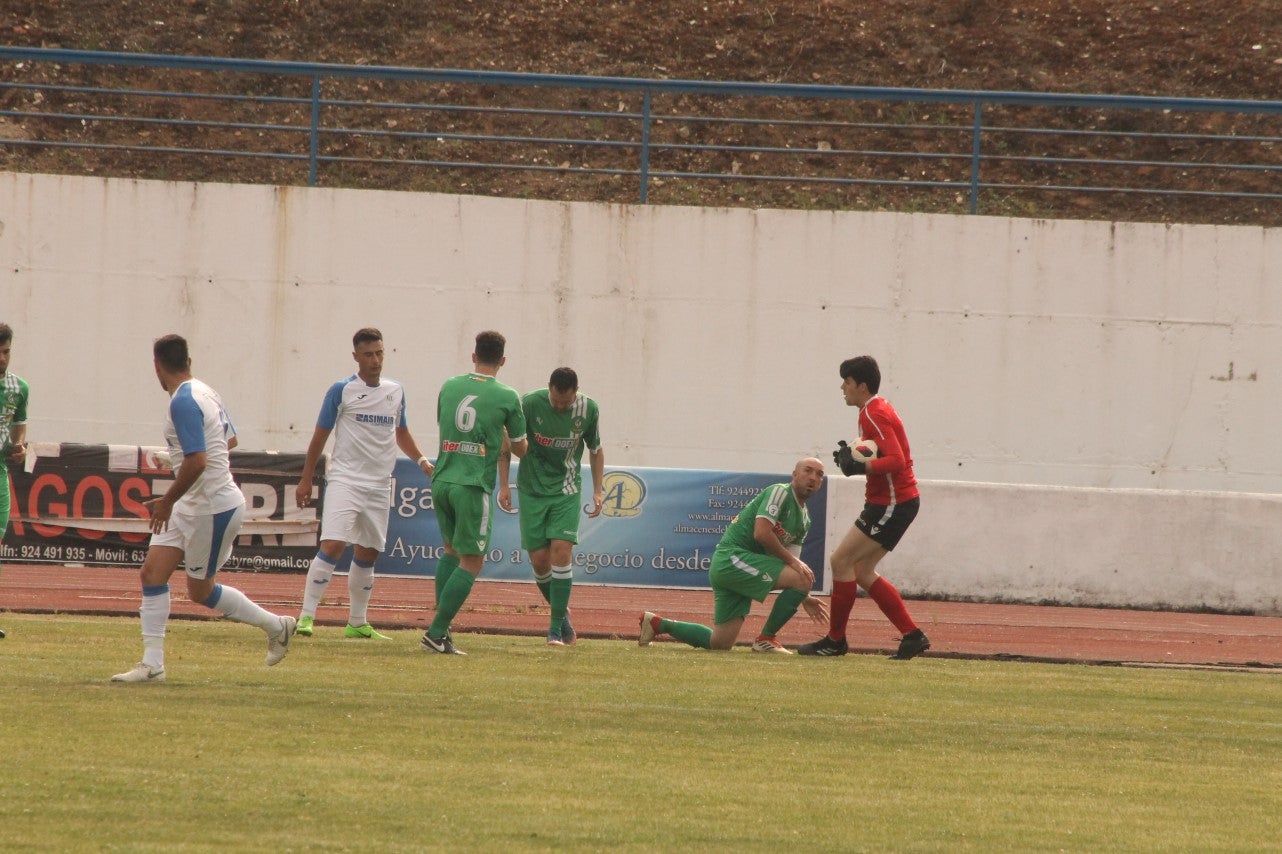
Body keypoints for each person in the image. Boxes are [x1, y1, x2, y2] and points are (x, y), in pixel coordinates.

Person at [112, 334, 297, 683]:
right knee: (152, 574)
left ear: (157, 366)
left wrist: (167, 500)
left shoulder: (182, 401)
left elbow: (198, 460)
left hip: (211, 507)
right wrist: (177, 461)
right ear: (189, 362)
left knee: (200, 591)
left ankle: (277, 626)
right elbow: (229, 440)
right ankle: (152, 665)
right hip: (191, 503)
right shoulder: (206, 391)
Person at [294, 328, 435, 639]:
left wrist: (422, 460)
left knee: (369, 551)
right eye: (369, 354)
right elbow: (320, 435)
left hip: (379, 483)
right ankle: (306, 616)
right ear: (356, 356)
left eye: (380, 353)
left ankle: (357, 622)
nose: (376, 360)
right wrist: (306, 478)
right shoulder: (341, 390)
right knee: (332, 545)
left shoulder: (395, 390)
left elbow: (401, 433)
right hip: (345, 479)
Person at [798, 355, 930, 660]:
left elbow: (896, 460)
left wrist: (860, 466)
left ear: (862, 385)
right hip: (897, 502)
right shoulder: (875, 409)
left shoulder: (873, 413)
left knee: (840, 560)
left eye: (847, 382)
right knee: (860, 570)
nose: (842, 387)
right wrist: (856, 457)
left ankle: (835, 641)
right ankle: (912, 635)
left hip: (892, 503)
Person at [638, 458, 829, 652]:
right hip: (733, 559)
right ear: (795, 474)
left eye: (819, 474)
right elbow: (762, 534)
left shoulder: (805, 520)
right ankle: (766, 639)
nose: (813, 477)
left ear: (821, 483)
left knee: (719, 644)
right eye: (808, 470)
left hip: (736, 567)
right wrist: (801, 583)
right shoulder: (780, 492)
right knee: (802, 577)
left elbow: (793, 563)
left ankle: (657, 624)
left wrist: (804, 595)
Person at [420, 330, 528, 655]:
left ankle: (442, 633)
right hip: (472, 484)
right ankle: (436, 632)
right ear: (503, 360)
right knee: (473, 560)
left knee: (451, 551)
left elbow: (447, 424)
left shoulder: (450, 385)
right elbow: (521, 450)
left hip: (442, 479)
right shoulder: (508, 396)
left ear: (473, 356)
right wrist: (509, 436)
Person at [497, 367, 604, 646]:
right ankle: (561, 611)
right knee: (540, 560)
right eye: (556, 401)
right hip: (532, 489)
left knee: (561, 550)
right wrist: (505, 485)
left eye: (565, 403)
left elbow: (596, 448)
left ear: (575, 393)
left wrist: (598, 491)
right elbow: (506, 443)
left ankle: (555, 629)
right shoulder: (529, 403)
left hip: (566, 489)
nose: (559, 406)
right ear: (549, 389)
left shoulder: (589, 409)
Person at [0, 323, 31, 641]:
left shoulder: (18, 388)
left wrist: (19, 448)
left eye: (6, 352)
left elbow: (18, 431)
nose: (2, 358)